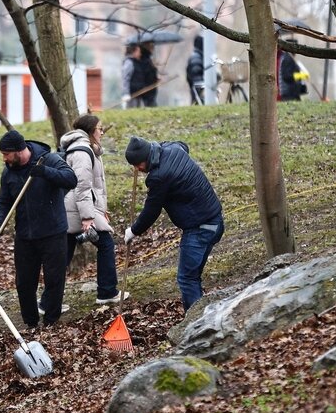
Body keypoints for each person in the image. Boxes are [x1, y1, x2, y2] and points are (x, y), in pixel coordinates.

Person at [123, 136, 224, 313]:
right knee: (193, 276)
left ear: (146, 158)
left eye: (138, 164)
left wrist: (134, 230)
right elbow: (183, 144)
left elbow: (152, 210)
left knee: (187, 278)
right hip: (215, 221)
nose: (137, 169)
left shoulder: (159, 177)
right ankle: (201, 314)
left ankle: (196, 325)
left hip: (200, 229)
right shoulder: (174, 149)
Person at [0, 130, 77, 328]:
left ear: (19, 151)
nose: (4, 158)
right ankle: (30, 323)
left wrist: (45, 172)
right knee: (24, 283)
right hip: (25, 236)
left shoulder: (49, 160)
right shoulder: (8, 172)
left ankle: (51, 321)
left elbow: (71, 179)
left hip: (53, 232)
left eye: (6, 154)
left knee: (54, 279)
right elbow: (3, 202)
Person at [60, 115, 129, 305]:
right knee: (106, 244)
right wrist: (89, 217)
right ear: (90, 131)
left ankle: (49, 301)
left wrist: (100, 210)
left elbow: (95, 188)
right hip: (77, 211)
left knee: (61, 257)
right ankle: (107, 292)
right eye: (99, 129)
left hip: (74, 210)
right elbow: (82, 187)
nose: (102, 132)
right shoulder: (82, 152)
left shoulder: (87, 150)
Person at [121, 43, 157, 108]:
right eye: (138, 51)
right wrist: (126, 93)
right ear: (133, 52)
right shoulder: (129, 62)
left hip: (138, 92)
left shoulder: (137, 62)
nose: (140, 54)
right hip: (131, 94)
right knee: (131, 111)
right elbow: (125, 79)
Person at [186, 36, 205, 105]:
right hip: (197, 84)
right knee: (197, 101)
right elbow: (195, 70)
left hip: (194, 84)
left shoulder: (195, 55)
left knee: (195, 101)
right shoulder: (197, 57)